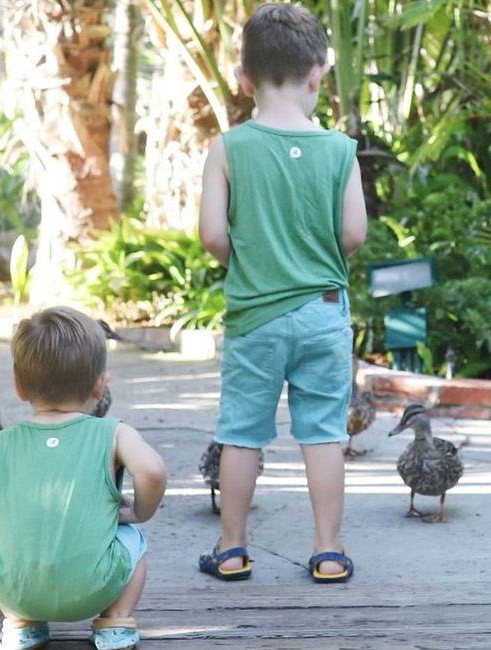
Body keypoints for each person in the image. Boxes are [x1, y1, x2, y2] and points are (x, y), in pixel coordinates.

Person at [197, 3, 367, 584]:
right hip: (323, 314)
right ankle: (328, 550)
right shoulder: (341, 151)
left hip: (254, 318)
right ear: (317, 73)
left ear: (242, 77)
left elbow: (212, 235)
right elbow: (354, 234)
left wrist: (249, 262)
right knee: (322, 433)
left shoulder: (228, 148)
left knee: (242, 432)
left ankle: (232, 547)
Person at [0, 306, 167, 650]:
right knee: (133, 541)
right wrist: (141, 512)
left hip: (18, 589)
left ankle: (22, 622)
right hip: (95, 586)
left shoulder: (2, 442)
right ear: (100, 386)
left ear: (18, 386)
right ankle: (114, 623)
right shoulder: (114, 433)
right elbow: (152, 471)